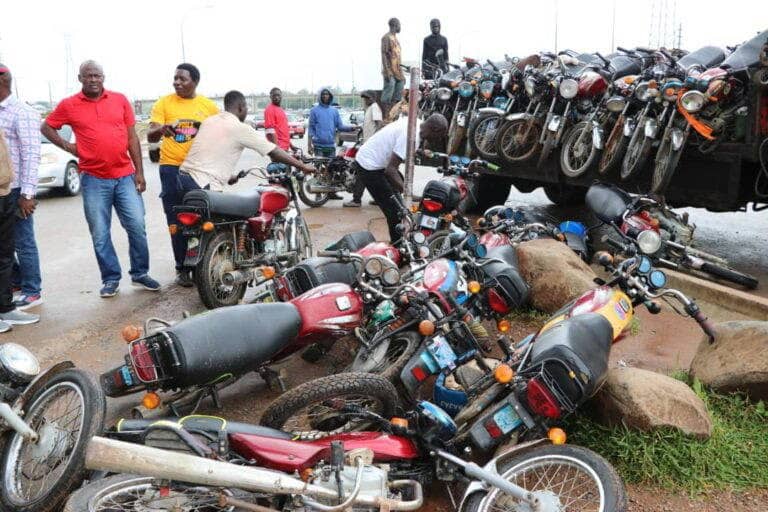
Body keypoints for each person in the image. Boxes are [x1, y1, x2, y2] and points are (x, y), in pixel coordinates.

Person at [41, 60, 160, 298]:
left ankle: (139, 273)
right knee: (100, 232)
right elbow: (46, 127)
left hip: (125, 176)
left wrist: (139, 172)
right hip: (94, 179)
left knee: (137, 226)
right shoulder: (69, 105)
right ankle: (111, 278)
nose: (93, 79)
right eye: (88, 76)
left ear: (103, 77)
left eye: (97, 75)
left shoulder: (119, 100)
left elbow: (132, 139)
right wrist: (68, 146)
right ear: (80, 78)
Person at [147, 63, 218, 287]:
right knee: (175, 220)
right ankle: (182, 267)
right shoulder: (164, 103)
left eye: (182, 79)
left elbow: (221, 136)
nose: (177, 82)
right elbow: (150, 135)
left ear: (195, 82)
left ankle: (200, 264)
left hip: (199, 170)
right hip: (170, 170)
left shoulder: (208, 107)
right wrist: (161, 129)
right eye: (175, 78)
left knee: (202, 218)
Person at [178, 90, 315, 193]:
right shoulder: (239, 127)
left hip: (181, 180)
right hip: (203, 184)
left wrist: (227, 176)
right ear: (241, 107)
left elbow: (210, 152)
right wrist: (302, 166)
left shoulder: (209, 121)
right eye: (246, 109)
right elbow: (274, 151)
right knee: (233, 223)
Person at [353, 113, 448, 242]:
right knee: (395, 212)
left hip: (377, 162)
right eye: (439, 136)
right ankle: (398, 247)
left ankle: (402, 239)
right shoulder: (410, 136)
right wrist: (408, 193)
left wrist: (419, 151)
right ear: (434, 130)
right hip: (369, 166)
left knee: (400, 205)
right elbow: (391, 170)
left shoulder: (416, 123)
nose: (438, 140)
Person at [0, 63, 43, 312]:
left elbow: (31, 154)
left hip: (17, 191)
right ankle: (15, 281)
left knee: (23, 241)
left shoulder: (21, 112)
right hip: (2, 188)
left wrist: (27, 194)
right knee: (5, 246)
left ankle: (32, 290)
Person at [344, 90, 383, 208]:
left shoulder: (375, 107)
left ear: (373, 98)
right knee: (374, 174)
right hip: (368, 145)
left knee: (361, 172)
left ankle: (356, 200)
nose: (365, 100)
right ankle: (379, 198)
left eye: (367, 98)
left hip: (371, 147)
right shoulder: (369, 108)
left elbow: (379, 124)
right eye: (364, 98)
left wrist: (375, 141)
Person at [307, 88, 356, 158]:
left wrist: (351, 128)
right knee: (320, 168)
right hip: (318, 146)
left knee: (330, 167)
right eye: (323, 94)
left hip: (331, 146)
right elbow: (311, 129)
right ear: (319, 96)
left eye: (326, 94)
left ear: (330, 96)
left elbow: (340, 126)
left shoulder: (334, 111)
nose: (324, 96)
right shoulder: (314, 110)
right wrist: (309, 146)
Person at [263, 87, 296, 152]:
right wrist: (277, 150)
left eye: (278, 95)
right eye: (274, 95)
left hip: (284, 148)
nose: (276, 97)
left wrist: (291, 146)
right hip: (279, 150)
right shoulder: (269, 110)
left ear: (281, 96)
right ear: (270, 97)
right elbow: (270, 132)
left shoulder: (280, 109)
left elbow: (283, 131)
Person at [381, 18, 405, 106]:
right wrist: (387, 71)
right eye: (399, 25)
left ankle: (394, 110)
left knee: (400, 86)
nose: (400, 27)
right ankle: (385, 111)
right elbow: (384, 54)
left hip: (398, 70)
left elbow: (398, 58)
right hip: (390, 70)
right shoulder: (386, 37)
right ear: (395, 25)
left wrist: (401, 73)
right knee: (389, 88)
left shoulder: (396, 39)